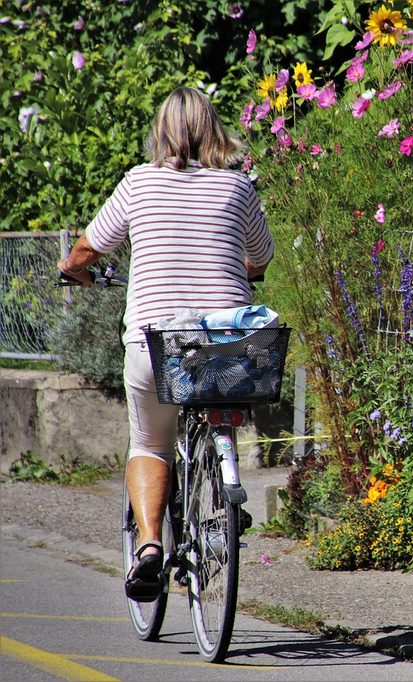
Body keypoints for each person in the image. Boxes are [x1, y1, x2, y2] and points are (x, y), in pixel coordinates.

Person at [58, 87, 274, 602]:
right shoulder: (237, 187)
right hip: (228, 346)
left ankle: (151, 546)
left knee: (151, 443)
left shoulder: (139, 184)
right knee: (216, 404)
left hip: (158, 344)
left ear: (163, 132)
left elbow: (89, 246)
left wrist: (72, 269)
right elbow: (260, 260)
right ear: (214, 128)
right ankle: (221, 483)